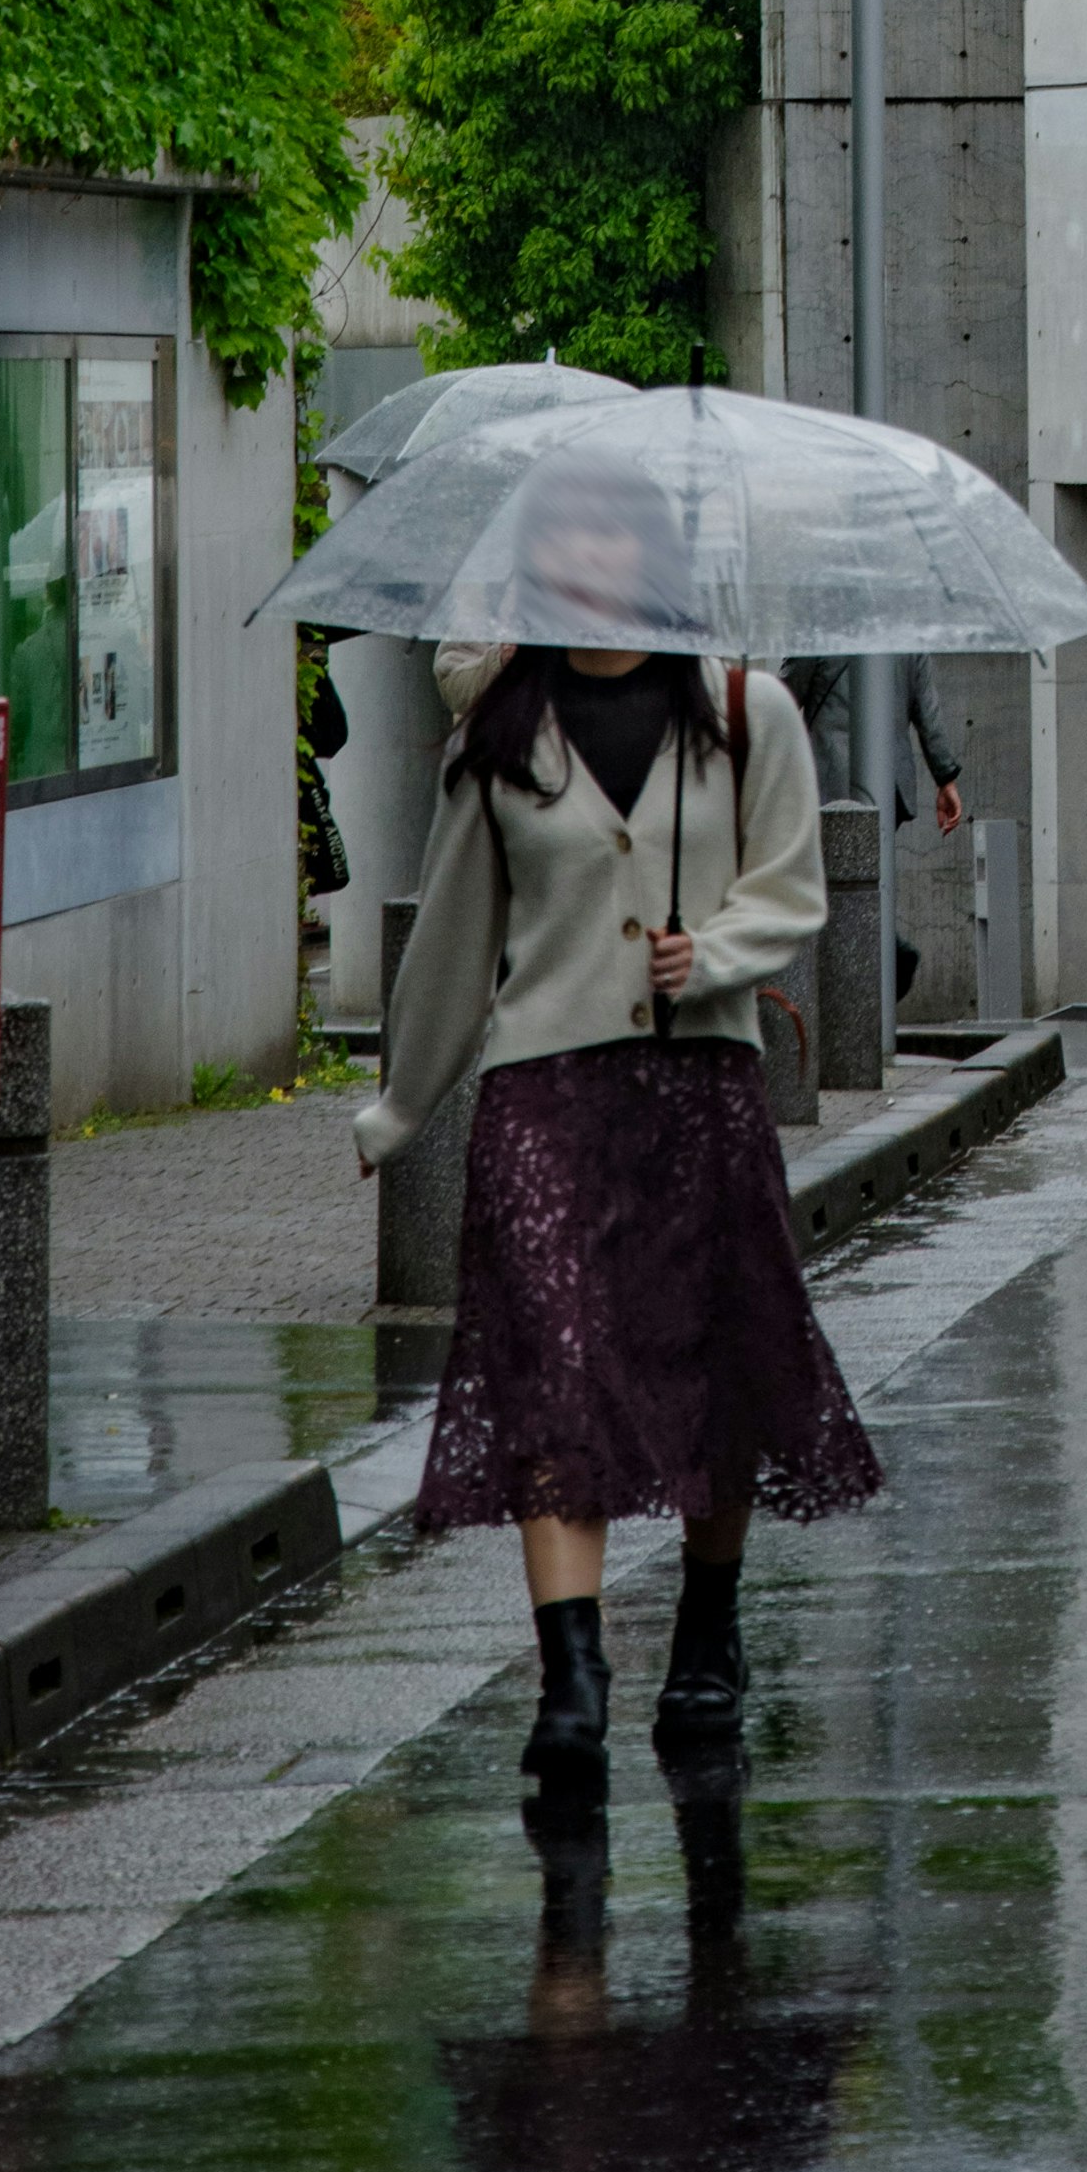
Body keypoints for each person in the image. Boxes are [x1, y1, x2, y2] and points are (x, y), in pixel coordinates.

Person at [357, 453, 884, 1802]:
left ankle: (708, 1633)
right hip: (544, 1097)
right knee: (555, 1373)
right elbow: (453, 935)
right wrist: (403, 1099)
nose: (590, 558)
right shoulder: (501, 732)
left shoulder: (745, 709)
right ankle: (571, 1672)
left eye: (612, 535)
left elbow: (796, 889)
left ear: (651, 553)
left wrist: (707, 952)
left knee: (719, 1359)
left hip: (700, 1088)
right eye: (565, 537)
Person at [789, 648, 973, 1014]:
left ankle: (886, 961)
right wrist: (945, 777)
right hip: (888, 783)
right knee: (867, 889)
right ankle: (877, 972)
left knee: (831, 892)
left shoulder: (821, 626)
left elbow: (783, 697)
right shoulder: (903, 625)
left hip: (831, 783)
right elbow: (927, 707)